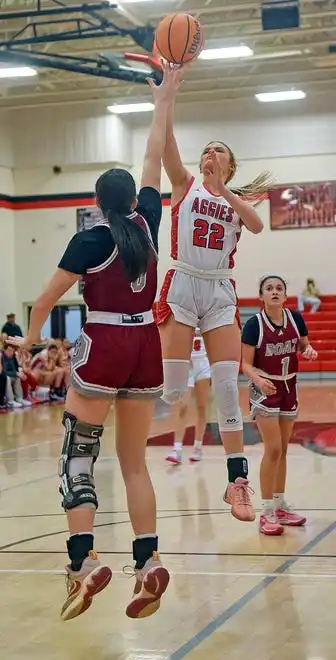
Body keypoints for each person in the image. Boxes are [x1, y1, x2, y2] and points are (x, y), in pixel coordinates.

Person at [10, 63, 182, 622]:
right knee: (135, 464)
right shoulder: (150, 223)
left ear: (96, 201)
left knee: (77, 458)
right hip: (145, 348)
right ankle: (148, 558)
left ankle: (82, 563)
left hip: (105, 343)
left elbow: (42, 302)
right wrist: (166, 98)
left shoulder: (90, 238)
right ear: (135, 197)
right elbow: (153, 156)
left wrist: (31, 341)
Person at [157, 115, 272, 522]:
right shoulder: (185, 185)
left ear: (230, 164)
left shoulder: (236, 201)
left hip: (220, 289)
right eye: (206, 148)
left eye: (218, 149)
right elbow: (166, 142)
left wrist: (225, 190)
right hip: (184, 281)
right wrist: (166, 99)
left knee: (226, 387)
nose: (210, 152)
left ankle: (236, 481)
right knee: (173, 392)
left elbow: (257, 226)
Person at [241, 275, 318, 535]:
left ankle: (280, 504)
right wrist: (258, 380)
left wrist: (309, 351)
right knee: (272, 449)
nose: (274, 292)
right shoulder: (254, 325)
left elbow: (304, 345)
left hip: (289, 386)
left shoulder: (295, 319)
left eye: (279, 288)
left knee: (283, 449)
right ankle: (266, 511)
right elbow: (246, 365)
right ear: (261, 296)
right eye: (269, 289)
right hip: (265, 389)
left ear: (285, 295)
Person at [166, 329, 211, 464]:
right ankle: (177, 449)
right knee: (183, 406)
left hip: (203, 364)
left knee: (202, 407)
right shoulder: (184, 315)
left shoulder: (207, 316)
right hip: (187, 365)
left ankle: (198, 447)